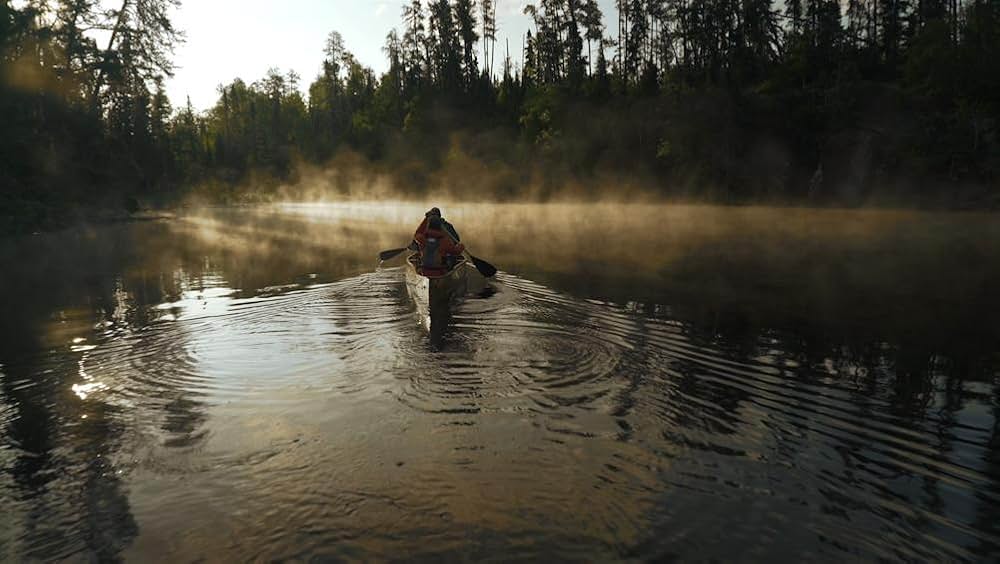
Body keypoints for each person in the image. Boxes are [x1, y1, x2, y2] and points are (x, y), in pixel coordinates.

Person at [410, 208, 465, 273]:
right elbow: (456, 251)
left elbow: (418, 233)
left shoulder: (422, 239)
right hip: (440, 271)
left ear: (428, 225)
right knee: (450, 258)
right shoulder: (445, 241)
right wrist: (461, 246)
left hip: (424, 270)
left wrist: (425, 219)